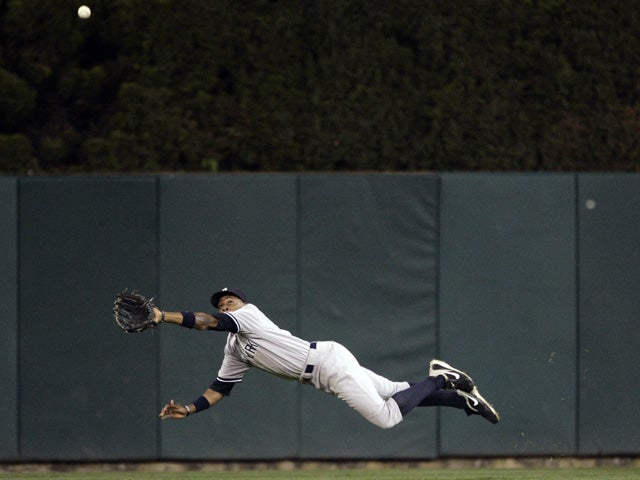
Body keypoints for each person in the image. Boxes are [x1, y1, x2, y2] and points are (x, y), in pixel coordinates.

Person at [156, 287, 500, 428]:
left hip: (326, 365)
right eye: (221, 302)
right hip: (327, 363)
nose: (224, 304)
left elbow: (205, 322)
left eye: (230, 300)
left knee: (387, 417)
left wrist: (162, 316)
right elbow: (220, 387)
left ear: (242, 304)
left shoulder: (248, 316)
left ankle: (440, 376)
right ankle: (462, 402)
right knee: (395, 390)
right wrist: (189, 408)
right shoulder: (234, 347)